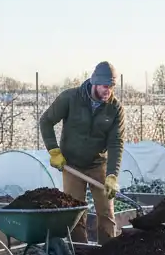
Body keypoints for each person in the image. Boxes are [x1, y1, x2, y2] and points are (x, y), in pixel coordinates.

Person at [39, 61, 125, 244]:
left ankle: (109, 253)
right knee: (74, 213)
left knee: (106, 213)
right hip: (72, 165)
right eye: (104, 86)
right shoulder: (70, 98)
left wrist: (112, 175)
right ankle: (80, 252)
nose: (108, 91)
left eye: (111, 87)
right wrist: (54, 151)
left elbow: (116, 143)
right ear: (94, 82)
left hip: (98, 165)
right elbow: (46, 121)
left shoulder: (115, 108)